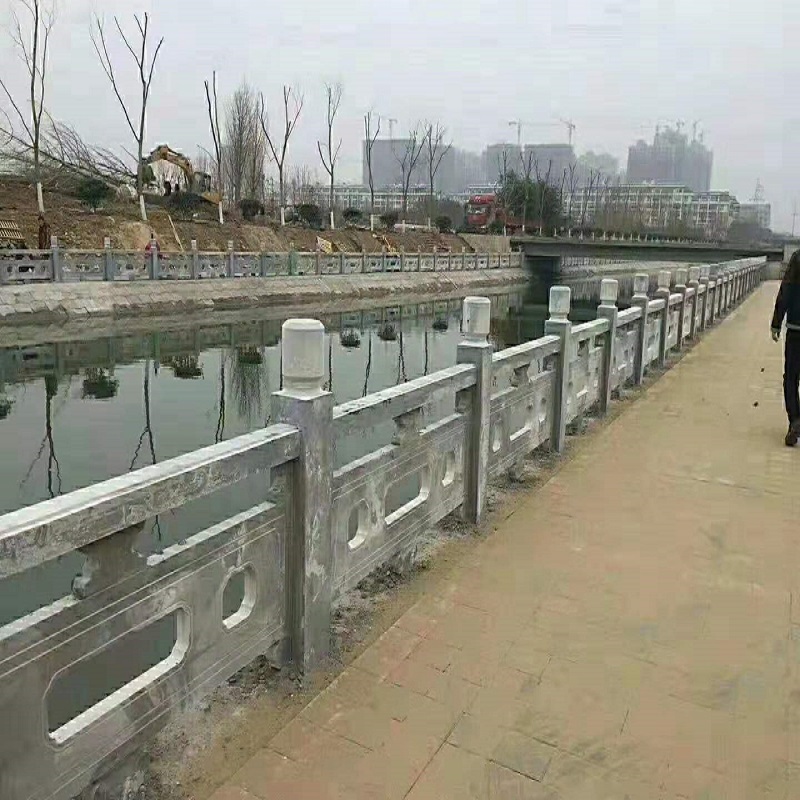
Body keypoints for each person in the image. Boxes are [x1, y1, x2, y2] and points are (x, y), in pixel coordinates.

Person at [771, 249, 800, 446]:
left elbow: (786, 290)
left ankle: (794, 420)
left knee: (791, 377)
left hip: (795, 329)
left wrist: (776, 323)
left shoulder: (797, 258)